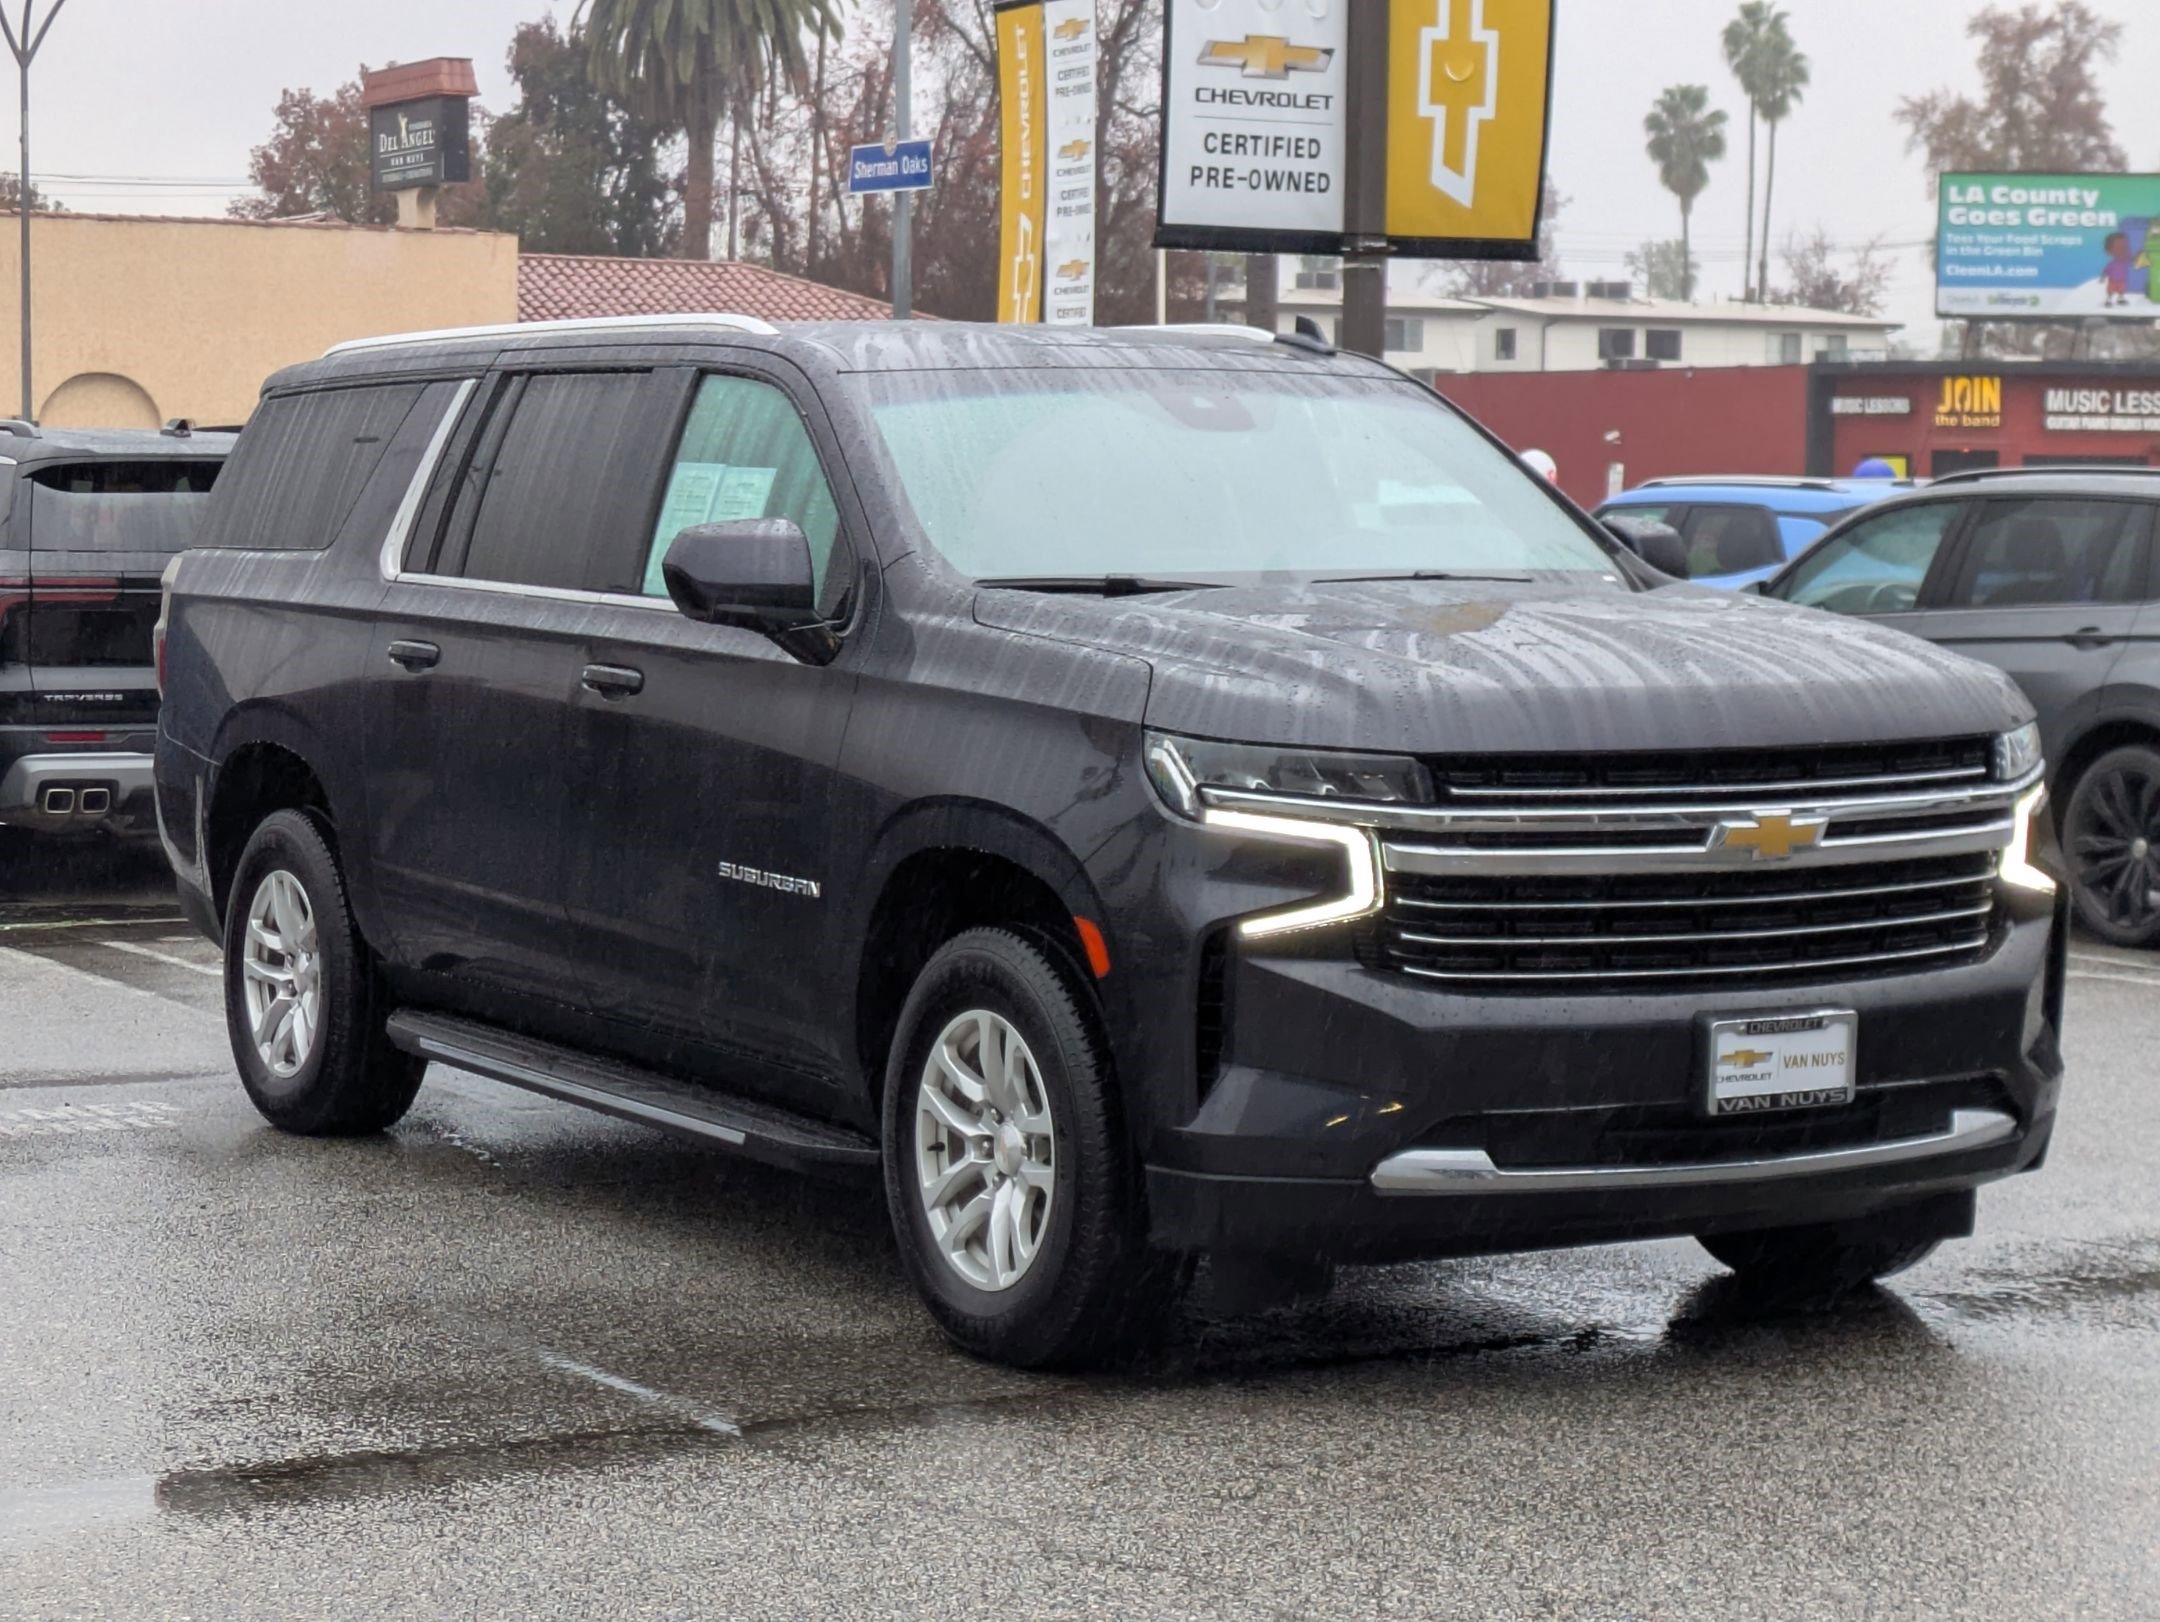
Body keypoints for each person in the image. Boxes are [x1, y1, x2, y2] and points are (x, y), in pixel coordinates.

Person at [2102, 232, 2134, 308]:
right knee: (2110, 290)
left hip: (2122, 280)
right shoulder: (2112, 264)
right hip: (2113, 280)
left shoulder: (2126, 261)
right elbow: (2106, 270)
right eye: (2119, 248)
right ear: (2109, 251)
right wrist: (2103, 277)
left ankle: (2120, 298)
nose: (2123, 251)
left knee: (2122, 289)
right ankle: (2108, 300)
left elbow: (2133, 261)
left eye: (2125, 247)